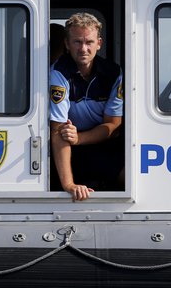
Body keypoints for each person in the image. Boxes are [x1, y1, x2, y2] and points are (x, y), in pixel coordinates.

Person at [49, 12, 123, 201]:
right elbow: (58, 133)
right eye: (77, 42)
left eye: (89, 42)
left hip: (100, 144)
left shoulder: (114, 73)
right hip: (68, 149)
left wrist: (78, 138)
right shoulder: (59, 73)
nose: (83, 48)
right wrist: (69, 185)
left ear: (99, 43)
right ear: (67, 44)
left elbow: (113, 127)